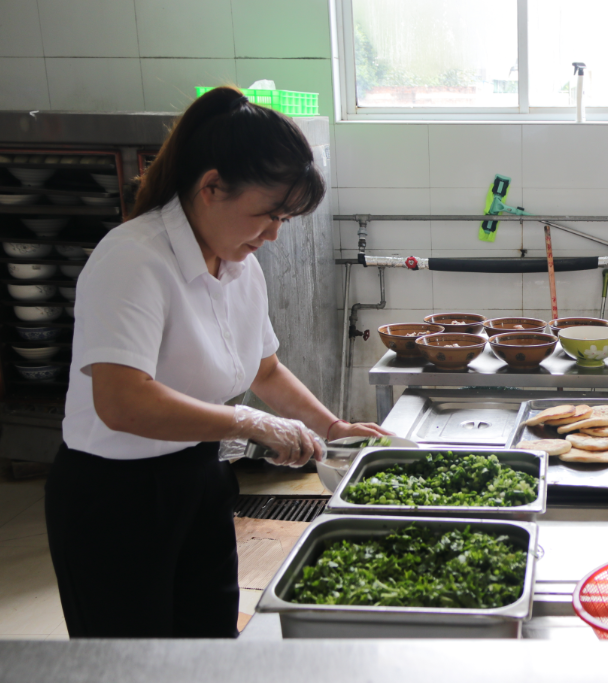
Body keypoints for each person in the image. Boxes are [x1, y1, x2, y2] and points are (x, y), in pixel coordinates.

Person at [44, 86, 391, 639]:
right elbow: (121, 400)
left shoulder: (238, 266)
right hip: (114, 501)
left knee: (208, 647)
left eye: (285, 218)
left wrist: (333, 428)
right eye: (269, 214)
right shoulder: (133, 258)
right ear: (211, 187)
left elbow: (265, 370)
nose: (275, 233)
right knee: (132, 669)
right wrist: (250, 422)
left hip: (199, 479)